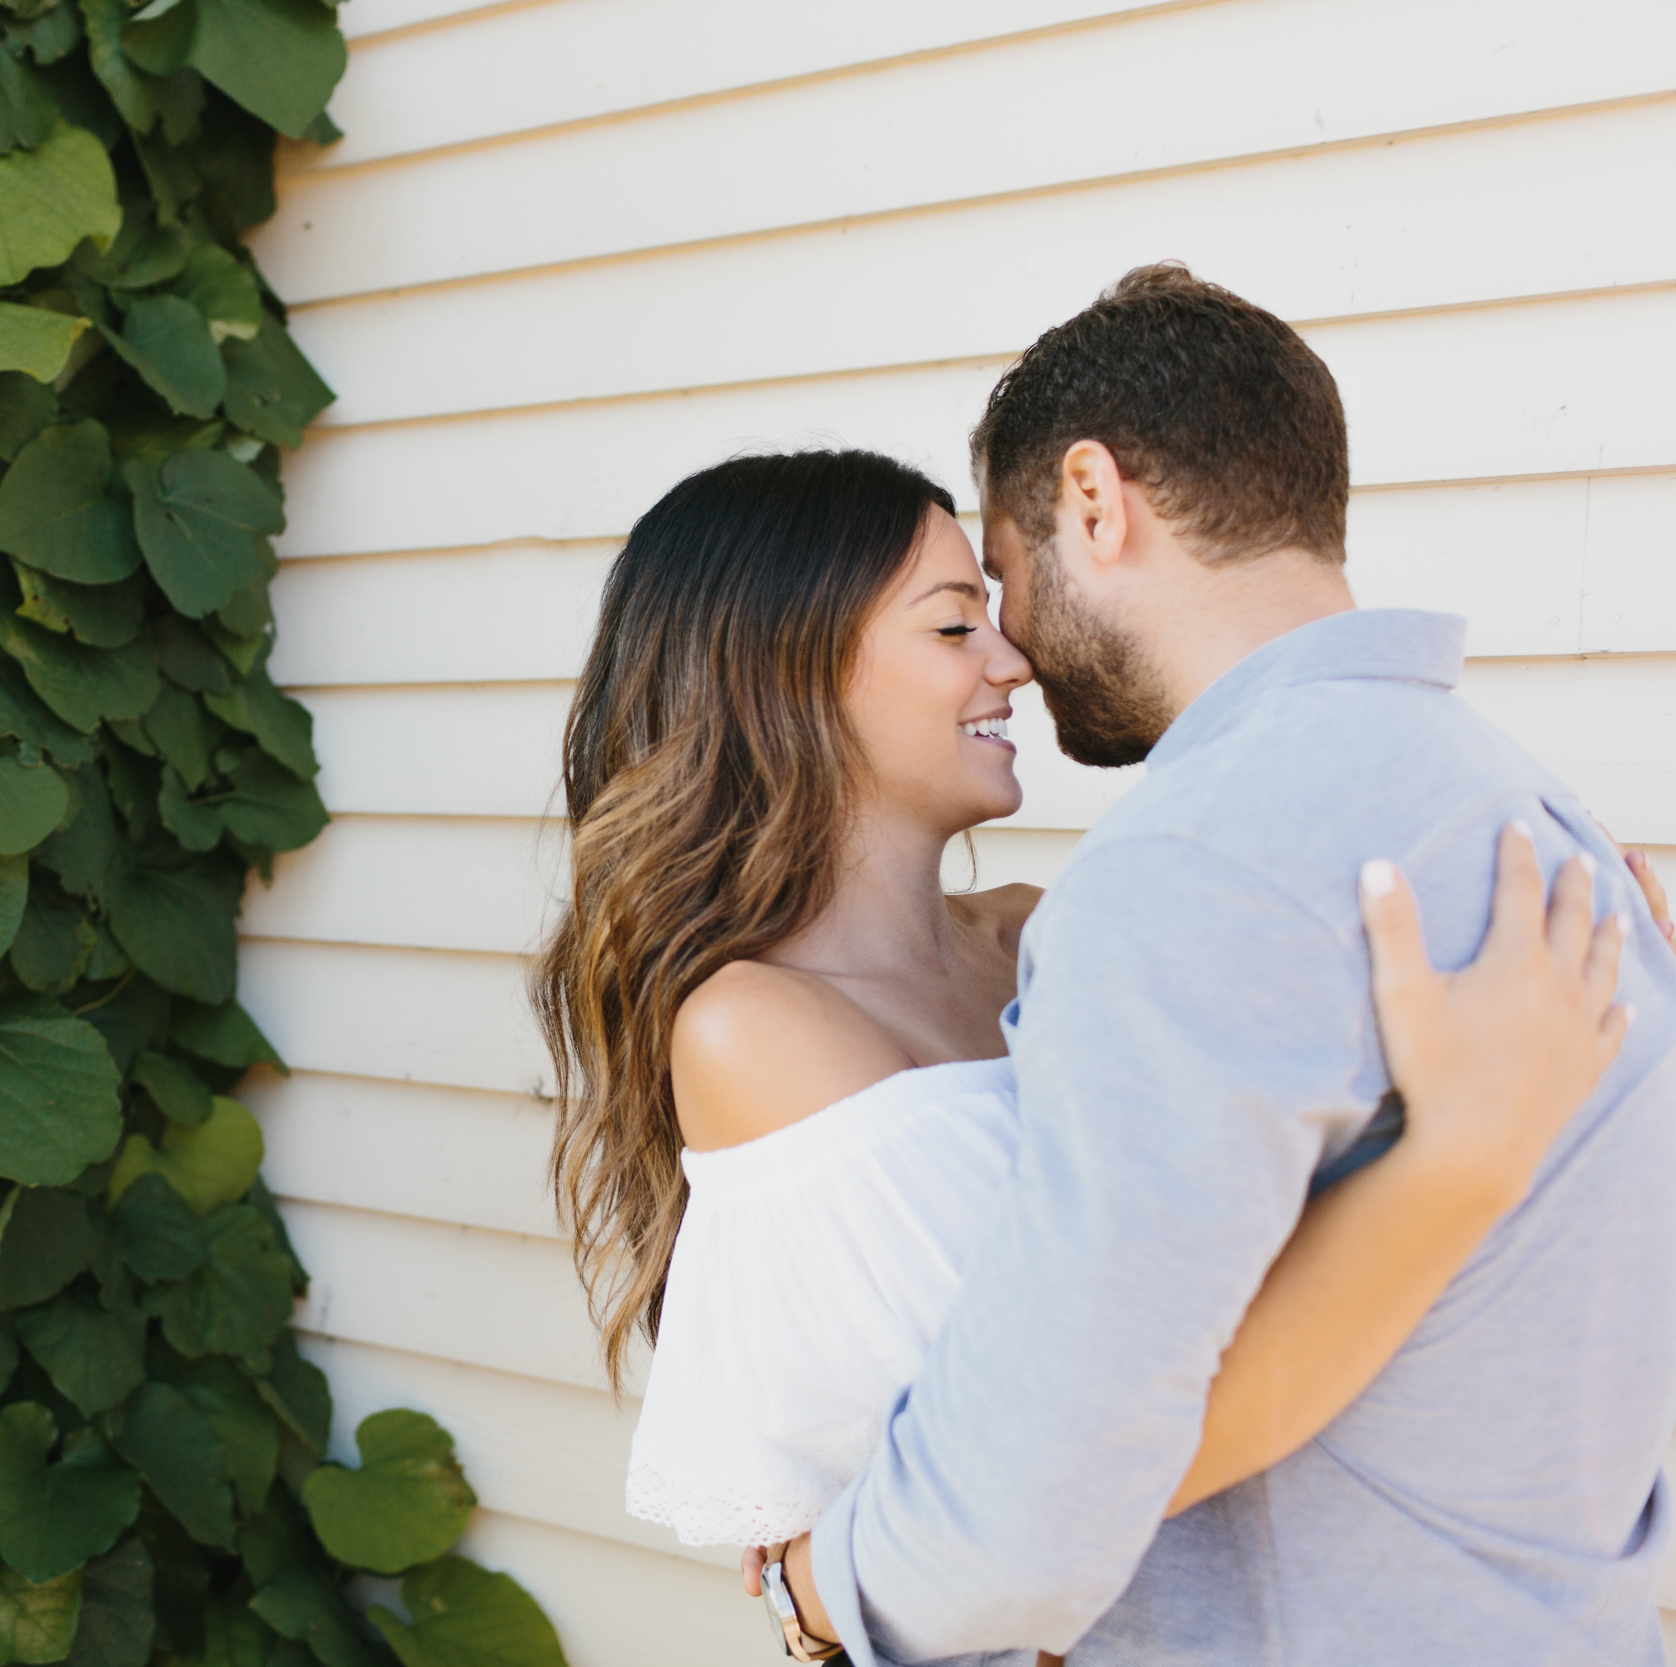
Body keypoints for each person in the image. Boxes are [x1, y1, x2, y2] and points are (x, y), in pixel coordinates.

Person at [535, 266, 1676, 1664]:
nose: (1009, 651)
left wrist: (805, 1593)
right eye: (957, 622)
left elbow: (1040, 1489)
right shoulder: (1517, 814)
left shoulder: (1174, 885)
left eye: (995, 586)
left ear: (1095, 499)